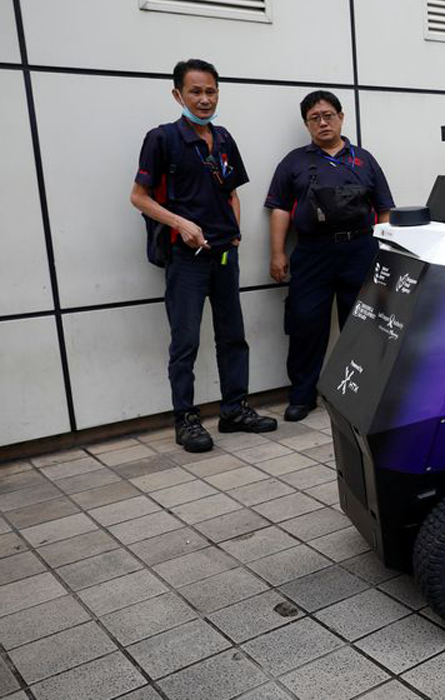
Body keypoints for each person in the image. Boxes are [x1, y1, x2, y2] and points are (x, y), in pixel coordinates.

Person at [130, 59, 277, 453]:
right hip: (186, 257)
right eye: (195, 91)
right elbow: (138, 197)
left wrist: (235, 232)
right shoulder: (161, 139)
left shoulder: (224, 138)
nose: (204, 99)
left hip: (225, 255)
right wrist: (180, 223)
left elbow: (232, 193)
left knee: (233, 336)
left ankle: (234, 410)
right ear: (177, 94)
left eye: (211, 91)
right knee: (186, 340)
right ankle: (186, 418)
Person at [265, 91, 395, 421]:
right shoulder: (294, 162)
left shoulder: (364, 159)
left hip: (360, 250)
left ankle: (362, 393)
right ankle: (302, 395)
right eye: (314, 118)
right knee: (306, 324)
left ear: (341, 116)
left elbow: (384, 210)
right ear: (307, 123)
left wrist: (386, 252)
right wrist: (278, 252)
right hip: (311, 253)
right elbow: (279, 209)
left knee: (363, 325)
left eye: (328, 115)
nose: (322, 122)